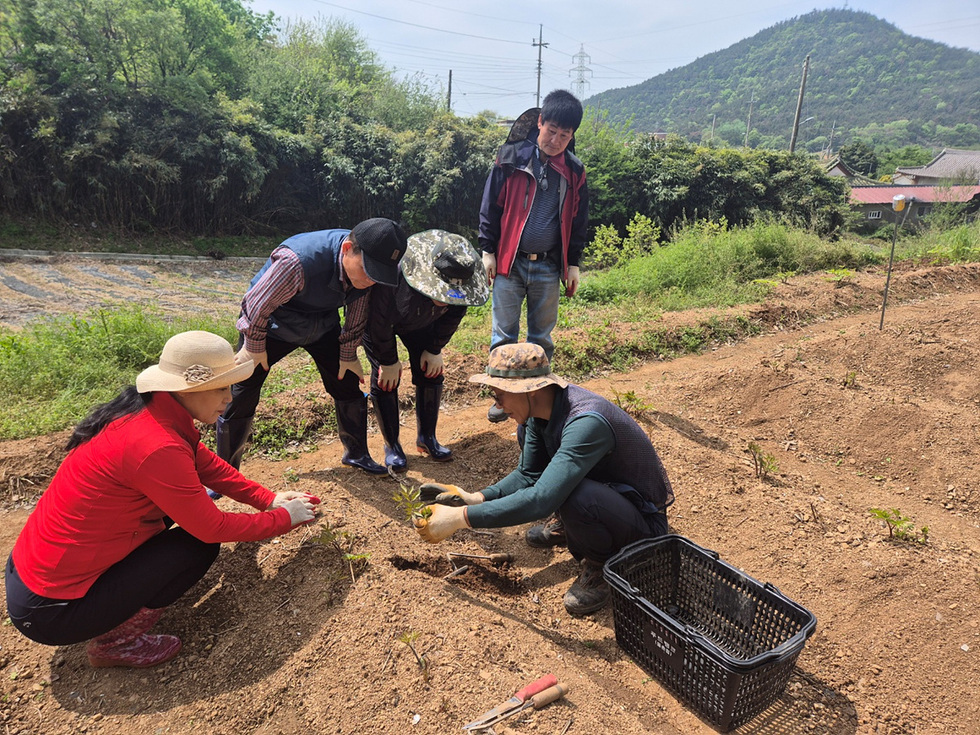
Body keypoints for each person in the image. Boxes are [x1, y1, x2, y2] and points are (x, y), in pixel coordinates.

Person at [5, 331, 319, 668]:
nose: (229, 397)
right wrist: (286, 518)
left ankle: (114, 601)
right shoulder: (157, 446)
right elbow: (211, 528)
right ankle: (116, 643)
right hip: (50, 609)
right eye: (220, 387)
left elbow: (206, 465)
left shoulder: (148, 413)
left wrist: (268, 499)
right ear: (187, 389)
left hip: (32, 574)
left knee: (174, 514)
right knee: (196, 546)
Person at [412, 343, 674, 616]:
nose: (497, 406)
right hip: (609, 494)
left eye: (500, 396)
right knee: (541, 456)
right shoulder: (539, 414)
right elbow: (528, 474)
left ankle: (602, 562)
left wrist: (460, 518)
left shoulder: (586, 422)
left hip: (643, 523)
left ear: (530, 390)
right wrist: (476, 498)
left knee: (575, 497)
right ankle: (573, 526)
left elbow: (541, 500)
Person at [216, 218, 407, 477]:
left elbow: (358, 309)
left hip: (322, 324)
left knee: (346, 379)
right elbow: (257, 303)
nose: (371, 280)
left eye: (379, 275)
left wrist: (348, 352)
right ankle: (224, 473)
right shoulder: (297, 262)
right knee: (242, 390)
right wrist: (253, 344)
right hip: (272, 325)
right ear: (348, 248)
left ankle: (356, 453)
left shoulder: (366, 275)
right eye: (368, 270)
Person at [479, 90, 589, 423]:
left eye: (564, 134)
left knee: (541, 338)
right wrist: (487, 250)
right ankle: (503, 398)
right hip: (509, 263)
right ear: (539, 122)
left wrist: (573, 264)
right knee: (504, 337)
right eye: (551, 130)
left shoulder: (574, 171)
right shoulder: (510, 158)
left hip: (548, 266)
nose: (556, 140)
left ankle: (538, 400)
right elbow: (490, 207)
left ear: (572, 136)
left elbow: (578, 220)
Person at [363, 229, 489, 471]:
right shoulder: (399, 273)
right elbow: (378, 321)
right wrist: (388, 361)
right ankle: (392, 445)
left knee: (431, 370)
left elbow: (453, 315)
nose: (447, 298)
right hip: (382, 323)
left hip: (422, 323)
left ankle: (427, 438)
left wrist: (434, 348)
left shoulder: (462, 281)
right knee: (386, 378)